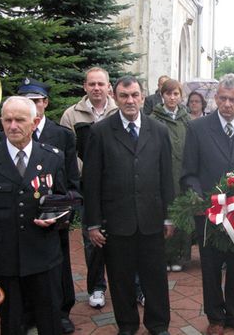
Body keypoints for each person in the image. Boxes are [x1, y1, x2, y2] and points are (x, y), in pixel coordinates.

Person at [83, 76, 174, 335]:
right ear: (115, 97)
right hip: (116, 221)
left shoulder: (158, 130)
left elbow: (166, 177)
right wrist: (93, 222)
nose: (130, 101)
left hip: (151, 220)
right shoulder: (100, 132)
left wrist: (169, 217)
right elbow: (91, 181)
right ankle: (127, 325)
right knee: (120, 279)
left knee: (155, 278)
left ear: (143, 96)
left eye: (134, 95)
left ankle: (158, 324)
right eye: (124, 96)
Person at [181, 73, 234, 335]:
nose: (227, 104)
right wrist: (200, 199)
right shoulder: (197, 128)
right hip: (209, 214)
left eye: (233, 99)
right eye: (222, 98)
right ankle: (216, 318)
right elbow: (189, 172)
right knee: (210, 266)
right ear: (215, 98)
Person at [0, 96, 67, 335]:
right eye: (7, 120)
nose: (13, 126)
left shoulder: (52, 157)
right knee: (11, 324)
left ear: (35, 123)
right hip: (5, 259)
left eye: (19, 120)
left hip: (43, 256)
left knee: (50, 322)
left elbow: (67, 198)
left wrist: (56, 217)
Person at [17, 79, 80, 333]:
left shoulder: (62, 135)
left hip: (55, 212)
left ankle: (61, 311)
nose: (33, 105)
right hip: (23, 214)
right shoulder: (11, 134)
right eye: (27, 101)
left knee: (59, 265)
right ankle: (28, 311)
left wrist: (66, 210)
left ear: (45, 103)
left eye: (37, 101)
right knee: (22, 263)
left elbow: (72, 179)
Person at [60, 67, 118, 309]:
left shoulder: (119, 111)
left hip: (117, 187)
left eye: (100, 84)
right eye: (92, 84)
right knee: (92, 238)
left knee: (123, 237)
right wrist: (90, 172)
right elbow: (67, 154)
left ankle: (132, 287)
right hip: (87, 186)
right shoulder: (71, 116)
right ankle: (96, 287)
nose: (96, 88)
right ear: (85, 87)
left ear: (108, 87)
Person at [150, 79, 192, 272]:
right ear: (162, 95)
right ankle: (164, 256)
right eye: (168, 94)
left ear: (180, 96)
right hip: (162, 173)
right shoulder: (153, 118)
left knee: (182, 213)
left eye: (176, 94)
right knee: (165, 214)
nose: (172, 97)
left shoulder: (186, 118)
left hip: (183, 174)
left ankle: (179, 256)